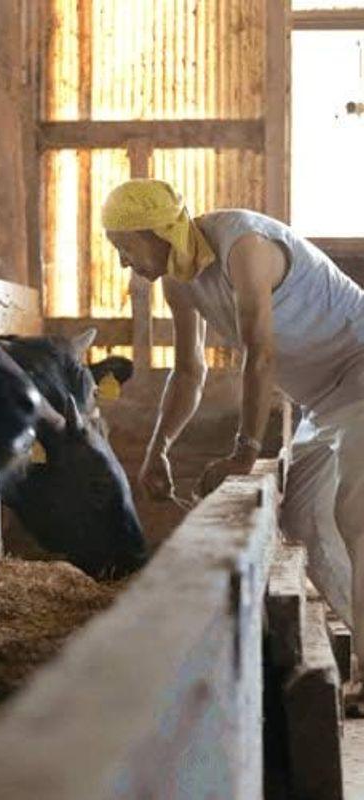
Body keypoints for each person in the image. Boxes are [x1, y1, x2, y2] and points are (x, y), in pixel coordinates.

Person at [101, 179, 364, 683]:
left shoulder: (243, 246)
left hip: (359, 370)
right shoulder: (179, 281)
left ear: (156, 232)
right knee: (303, 516)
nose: (121, 263)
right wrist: (158, 449)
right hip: (322, 401)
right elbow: (188, 371)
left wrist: (245, 449)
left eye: (124, 248)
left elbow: (260, 353)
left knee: (355, 515)